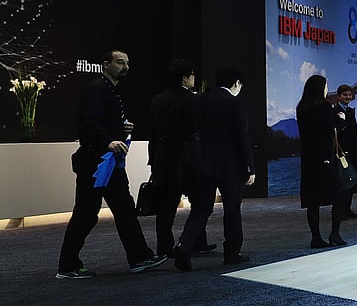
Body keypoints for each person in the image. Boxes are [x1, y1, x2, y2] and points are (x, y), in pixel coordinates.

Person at [57, 49, 167, 278]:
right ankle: (68, 265)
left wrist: (120, 129)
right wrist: (109, 141)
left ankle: (139, 257)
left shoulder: (107, 89)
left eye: (127, 63)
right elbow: (89, 122)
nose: (126, 67)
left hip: (105, 163)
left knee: (123, 209)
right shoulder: (97, 88)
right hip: (97, 164)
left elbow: (97, 121)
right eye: (120, 62)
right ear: (105, 64)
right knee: (88, 213)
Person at [173, 67, 255, 271]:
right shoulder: (236, 104)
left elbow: (186, 132)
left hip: (201, 163)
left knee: (201, 208)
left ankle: (184, 245)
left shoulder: (196, 101)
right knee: (232, 209)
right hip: (231, 166)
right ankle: (232, 253)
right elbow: (242, 138)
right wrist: (250, 168)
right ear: (236, 83)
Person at [146, 58, 214, 258]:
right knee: (200, 202)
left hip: (163, 158)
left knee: (166, 207)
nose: (194, 78)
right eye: (192, 75)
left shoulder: (156, 101)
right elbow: (200, 130)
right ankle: (194, 241)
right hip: (188, 158)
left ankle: (164, 247)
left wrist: (153, 160)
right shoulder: (193, 101)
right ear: (185, 78)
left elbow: (152, 134)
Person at [297, 74, 348, 247]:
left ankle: (316, 237)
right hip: (326, 159)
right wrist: (341, 119)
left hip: (309, 160)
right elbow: (332, 129)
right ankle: (335, 234)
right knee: (339, 195)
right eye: (326, 86)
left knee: (313, 202)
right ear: (321, 89)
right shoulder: (325, 107)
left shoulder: (301, 108)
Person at [333, 83, 357, 218]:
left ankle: (347, 209)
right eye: (345, 95)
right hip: (340, 151)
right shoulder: (333, 112)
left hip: (353, 150)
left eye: (349, 95)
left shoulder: (351, 111)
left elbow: (353, 131)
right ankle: (339, 210)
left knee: (351, 180)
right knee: (341, 181)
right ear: (339, 96)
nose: (348, 97)